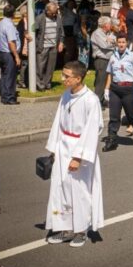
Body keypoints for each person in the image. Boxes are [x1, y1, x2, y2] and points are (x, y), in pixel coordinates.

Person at [45, 61, 104, 248]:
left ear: (78, 78)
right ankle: (64, 228)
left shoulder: (90, 100)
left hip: (79, 149)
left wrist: (78, 157)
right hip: (63, 146)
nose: (62, 79)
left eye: (66, 76)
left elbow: (92, 130)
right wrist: (54, 148)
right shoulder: (65, 95)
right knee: (60, 188)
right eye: (62, 75)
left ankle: (80, 230)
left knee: (79, 191)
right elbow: (58, 122)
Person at [102, 33, 133, 151]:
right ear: (116, 43)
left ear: (126, 43)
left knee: (131, 116)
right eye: (119, 42)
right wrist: (107, 89)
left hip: (129, 89)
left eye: (123, 42)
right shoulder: (113, 57)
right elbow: (110, 74)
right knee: (114, 116)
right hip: (115, 89)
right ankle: (112, 140)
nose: (121, 44)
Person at [0, 4, 21, 105]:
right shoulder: (9, 25)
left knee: (5, 75)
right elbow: (11, 42)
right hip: (9, 54)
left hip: (2, 53)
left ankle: (5, 97)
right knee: (10, 76)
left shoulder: (1, 23)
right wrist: (16, 56)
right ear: (13, 14)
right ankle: (9, 98)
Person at [35, 2, 64, 90]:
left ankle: (47, 83)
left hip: (53, 46)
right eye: (52, 13)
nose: (54, 14)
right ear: (47, 11)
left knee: (50, 67)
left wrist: (61, 42)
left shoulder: (58, 18)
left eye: (55, 12)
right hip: (43, 46)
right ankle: (40, 84)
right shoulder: (39, 18)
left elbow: (61, 32)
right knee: (40, 67)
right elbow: (34, 32)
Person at [91, 16, 116, 107]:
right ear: (105, 25)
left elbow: (115, 41)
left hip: (110, 60)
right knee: (100, 82)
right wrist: (112, 42)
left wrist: (111, 41)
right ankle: (97, 103)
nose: (111, 25)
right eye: (110, 24)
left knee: (108, 81)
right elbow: (104, 45)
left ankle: (105, 100)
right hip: (101, 60)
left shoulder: (109, 33)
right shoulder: (97, 33)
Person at [16, 10, 32, 89]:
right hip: (24, 48)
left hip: (30, 47)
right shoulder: (21, 23)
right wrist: (25, 34)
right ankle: (22, 82)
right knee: (24, 65)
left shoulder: (31, 21)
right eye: (26, 13)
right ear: (24, 14)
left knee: (28, 64)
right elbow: (19, 34)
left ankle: (27, 80)